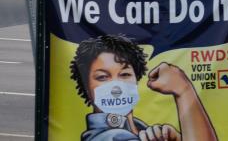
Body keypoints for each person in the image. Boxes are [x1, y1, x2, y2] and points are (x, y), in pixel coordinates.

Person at [69, 35, 218, 141]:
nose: (116, 87)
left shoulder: (141, 129)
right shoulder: (107, 137)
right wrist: (184, 90)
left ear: (136, 79)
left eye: (125, 74)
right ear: (87, 88)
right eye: (102, 77)